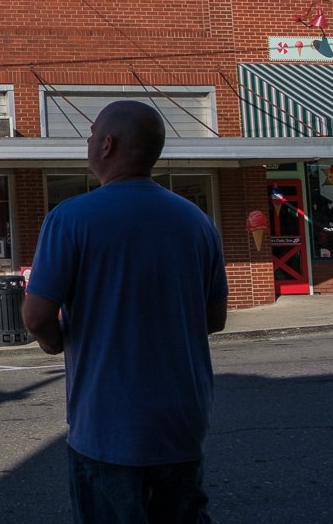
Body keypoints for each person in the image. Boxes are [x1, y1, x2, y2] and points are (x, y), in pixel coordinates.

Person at [22, 100, 229, 524]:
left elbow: (35, 315)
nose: (89, 142)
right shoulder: (197, 222)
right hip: (181, 425)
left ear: (107, 145)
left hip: (107, 428)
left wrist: (56, 342)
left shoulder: (71, 218)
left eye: (91, 134)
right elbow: (215, 318)